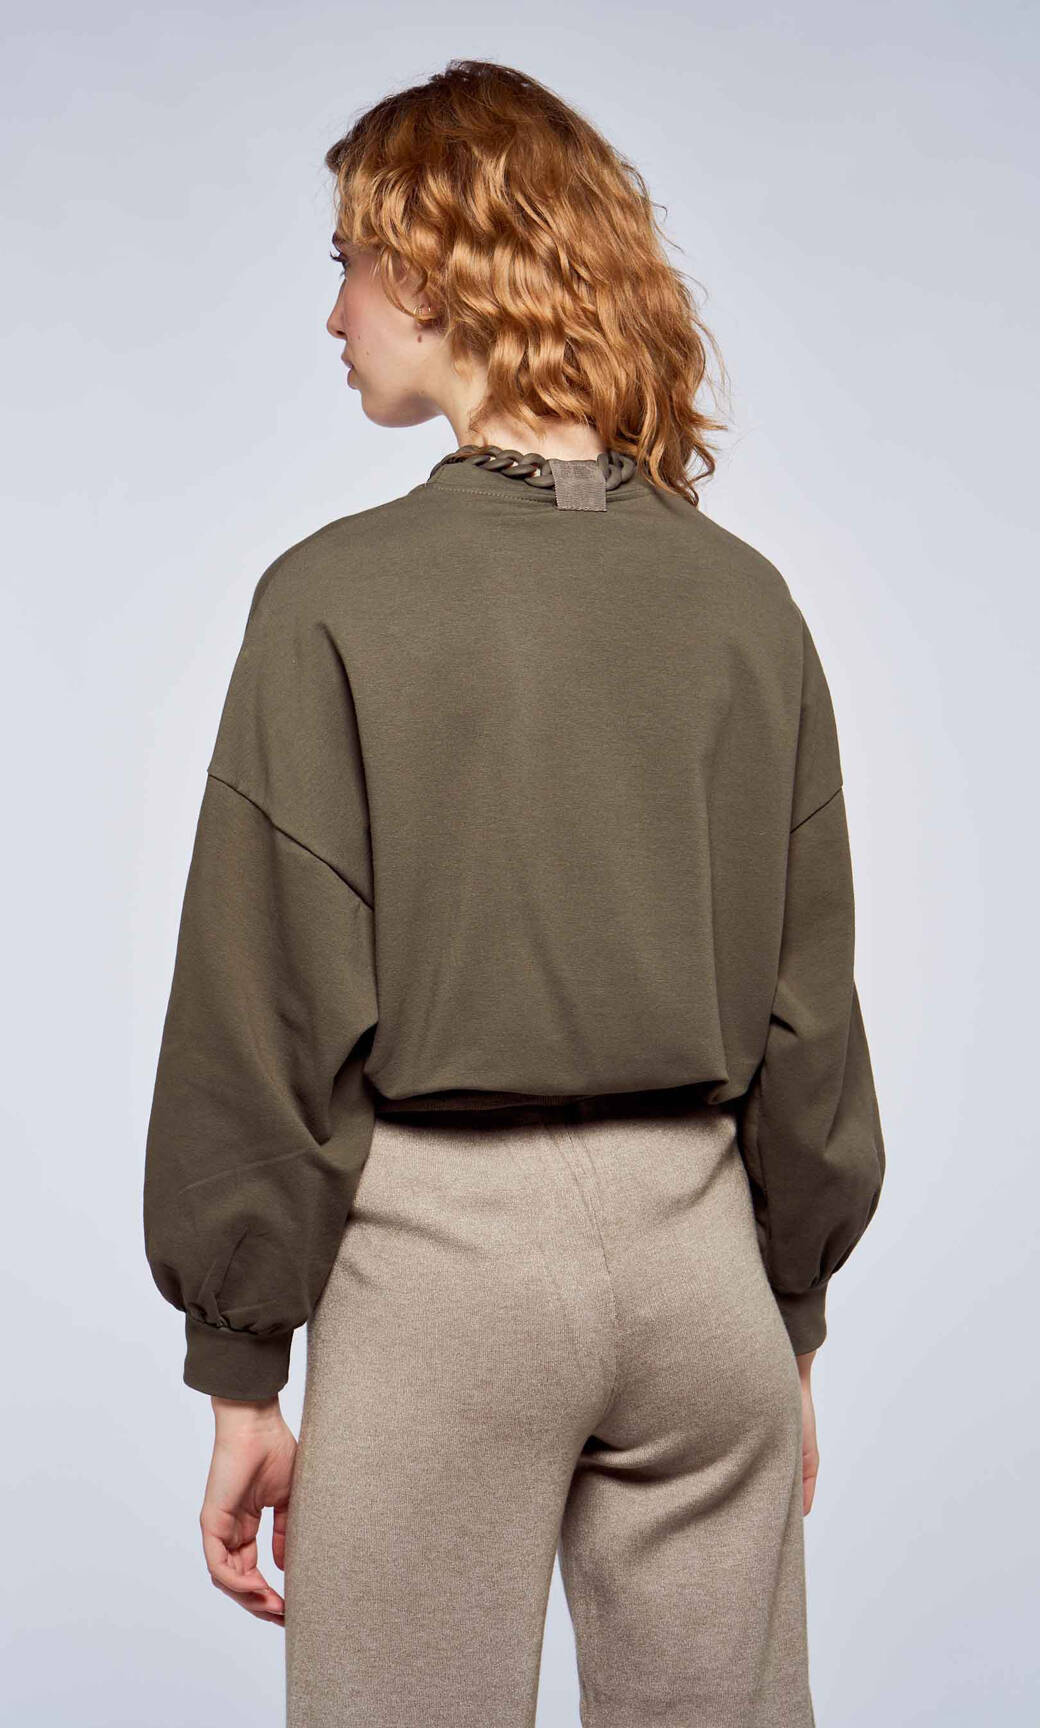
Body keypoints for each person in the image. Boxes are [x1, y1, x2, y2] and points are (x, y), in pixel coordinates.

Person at [142, 57, 885, 1728]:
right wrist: (788, 1320)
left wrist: (241, 1372)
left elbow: (263, 1009)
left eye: (349, 261)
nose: (334, 312)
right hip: (705, 1269)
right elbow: (808, 1009)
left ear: (436, 268)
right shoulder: (744, 604)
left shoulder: (333, 601)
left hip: (444, 1271)